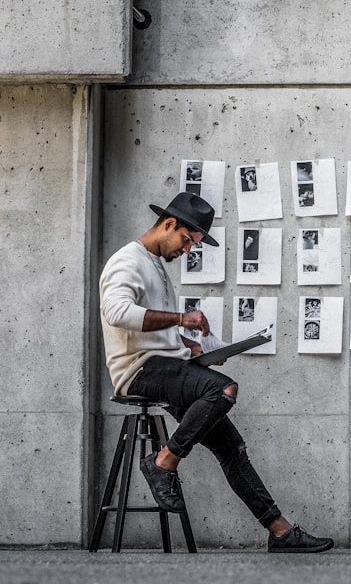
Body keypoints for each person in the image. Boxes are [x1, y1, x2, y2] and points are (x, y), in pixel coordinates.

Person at [99, 191, 334, 554]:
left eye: (193, 245)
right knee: (223, 390)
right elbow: (117, 313)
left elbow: (150, 328)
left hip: (166, 365)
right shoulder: (127, 261)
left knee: (232, 449)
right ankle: (163, 462)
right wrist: (180, 319)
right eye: (187, 241)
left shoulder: (155, 264)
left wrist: (193, 347)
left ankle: (281, 532)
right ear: (169, 224)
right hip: (139, 371)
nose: (188, 250)